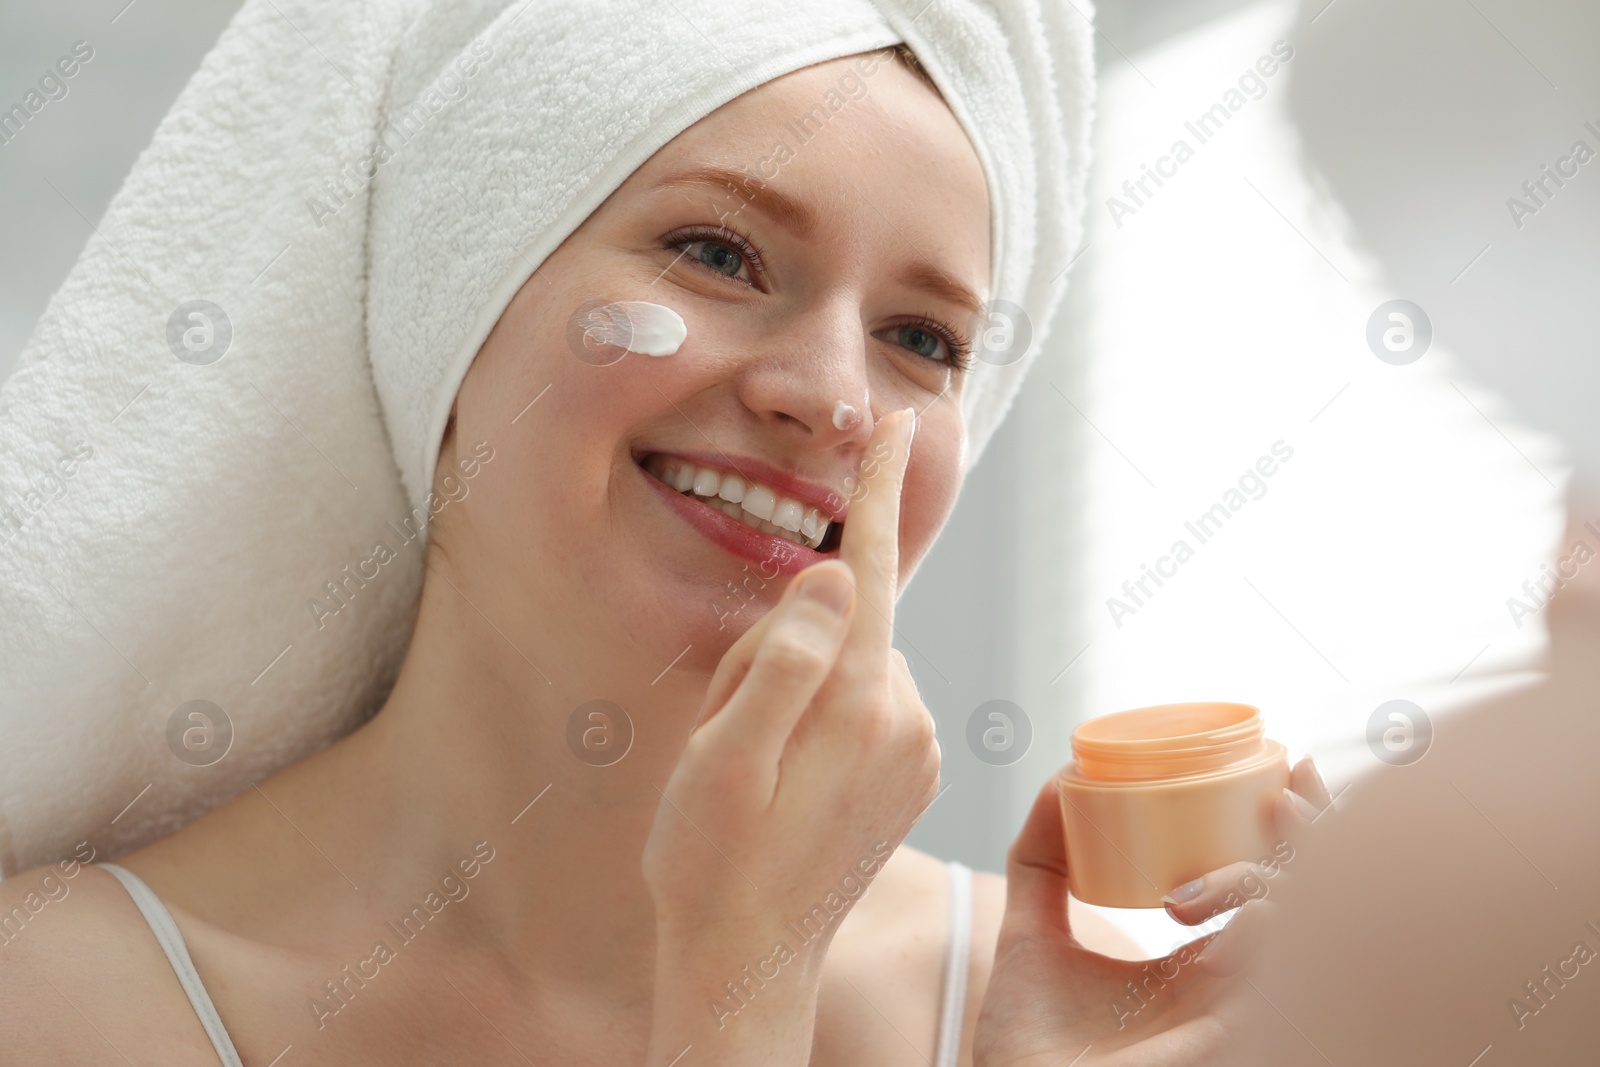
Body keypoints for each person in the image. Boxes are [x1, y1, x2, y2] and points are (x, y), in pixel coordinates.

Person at [0, 4, 1330, 1065]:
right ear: (446, 300)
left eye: (921, 340)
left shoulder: (1045, 1017)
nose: (832, 398)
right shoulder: (48, 1008)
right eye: (718, 252)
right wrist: (738, 990)